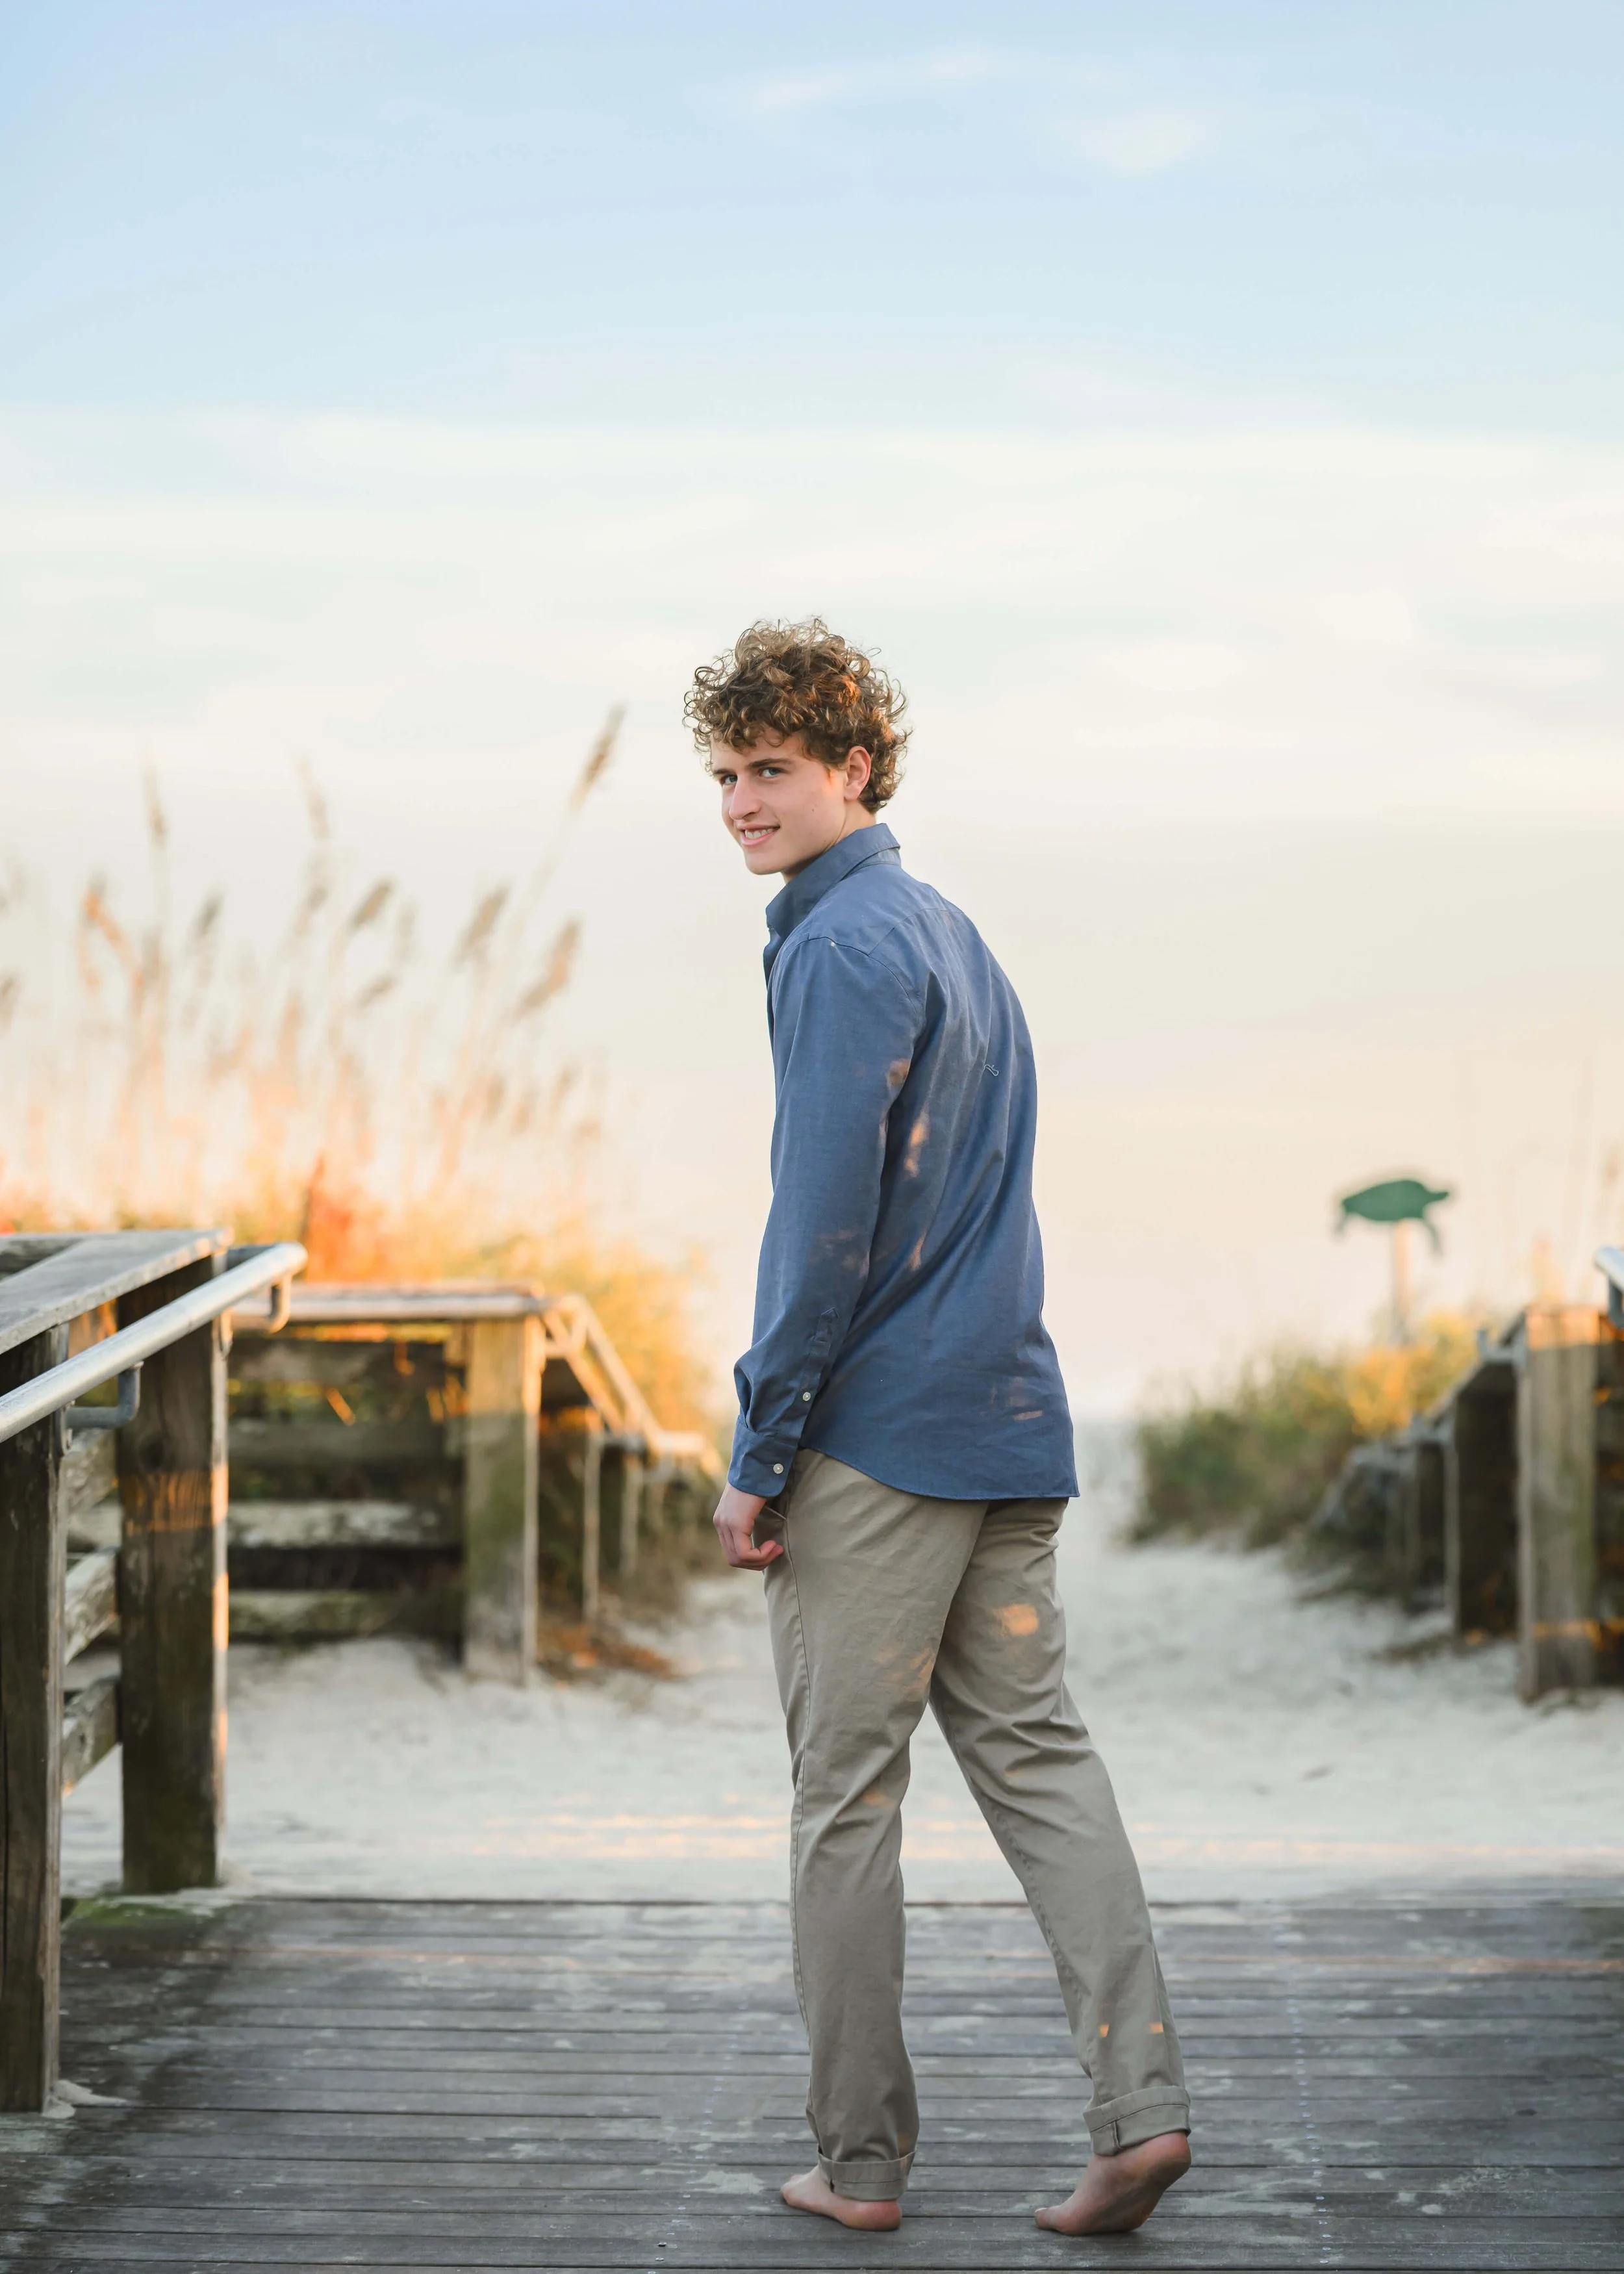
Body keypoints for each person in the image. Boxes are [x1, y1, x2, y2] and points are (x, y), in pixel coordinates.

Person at [686, 620, 1191, 2238]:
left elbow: (822, 1223)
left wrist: (762, 1450)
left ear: (854, 767)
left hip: (880, 1447)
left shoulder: (837, 944)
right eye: (723, 772)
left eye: (769, 769)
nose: (741, 802)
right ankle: (1142, 2115)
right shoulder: (954, 932)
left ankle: (858, 2164)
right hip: (1007, 1422)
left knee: (844, 1796)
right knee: (1042, 1767)